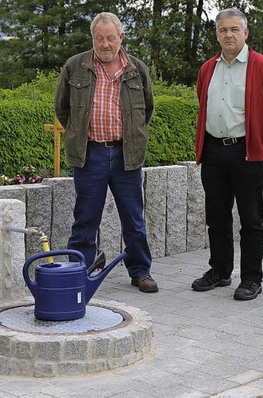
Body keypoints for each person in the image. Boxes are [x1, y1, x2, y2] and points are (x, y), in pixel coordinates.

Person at [54, 12, 157, 293]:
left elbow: (146, 110)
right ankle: (80, 270)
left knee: (133, 218)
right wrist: (80, 135)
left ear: (121, 37)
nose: (105, 43)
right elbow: (62, 109)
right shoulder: (75, 66)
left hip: (127, 155)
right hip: (90, 156)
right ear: (93, 38)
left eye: (111, 37)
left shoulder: (138, 69)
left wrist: (131, 138)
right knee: (85, 218)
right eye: (99, 38)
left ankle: (140, 271)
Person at [192, 8, 263, 300]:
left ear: (246, 33)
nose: (229, 35)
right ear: (217, 34)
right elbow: (202, 101)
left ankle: (251, 278)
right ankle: (220, 271)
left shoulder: (261, 67)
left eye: (234, 29)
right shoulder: (208, 68)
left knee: (250, 219)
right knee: (217, 216)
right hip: (213, 152)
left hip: (247, 153)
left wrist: (261, 141)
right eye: (223, 30)